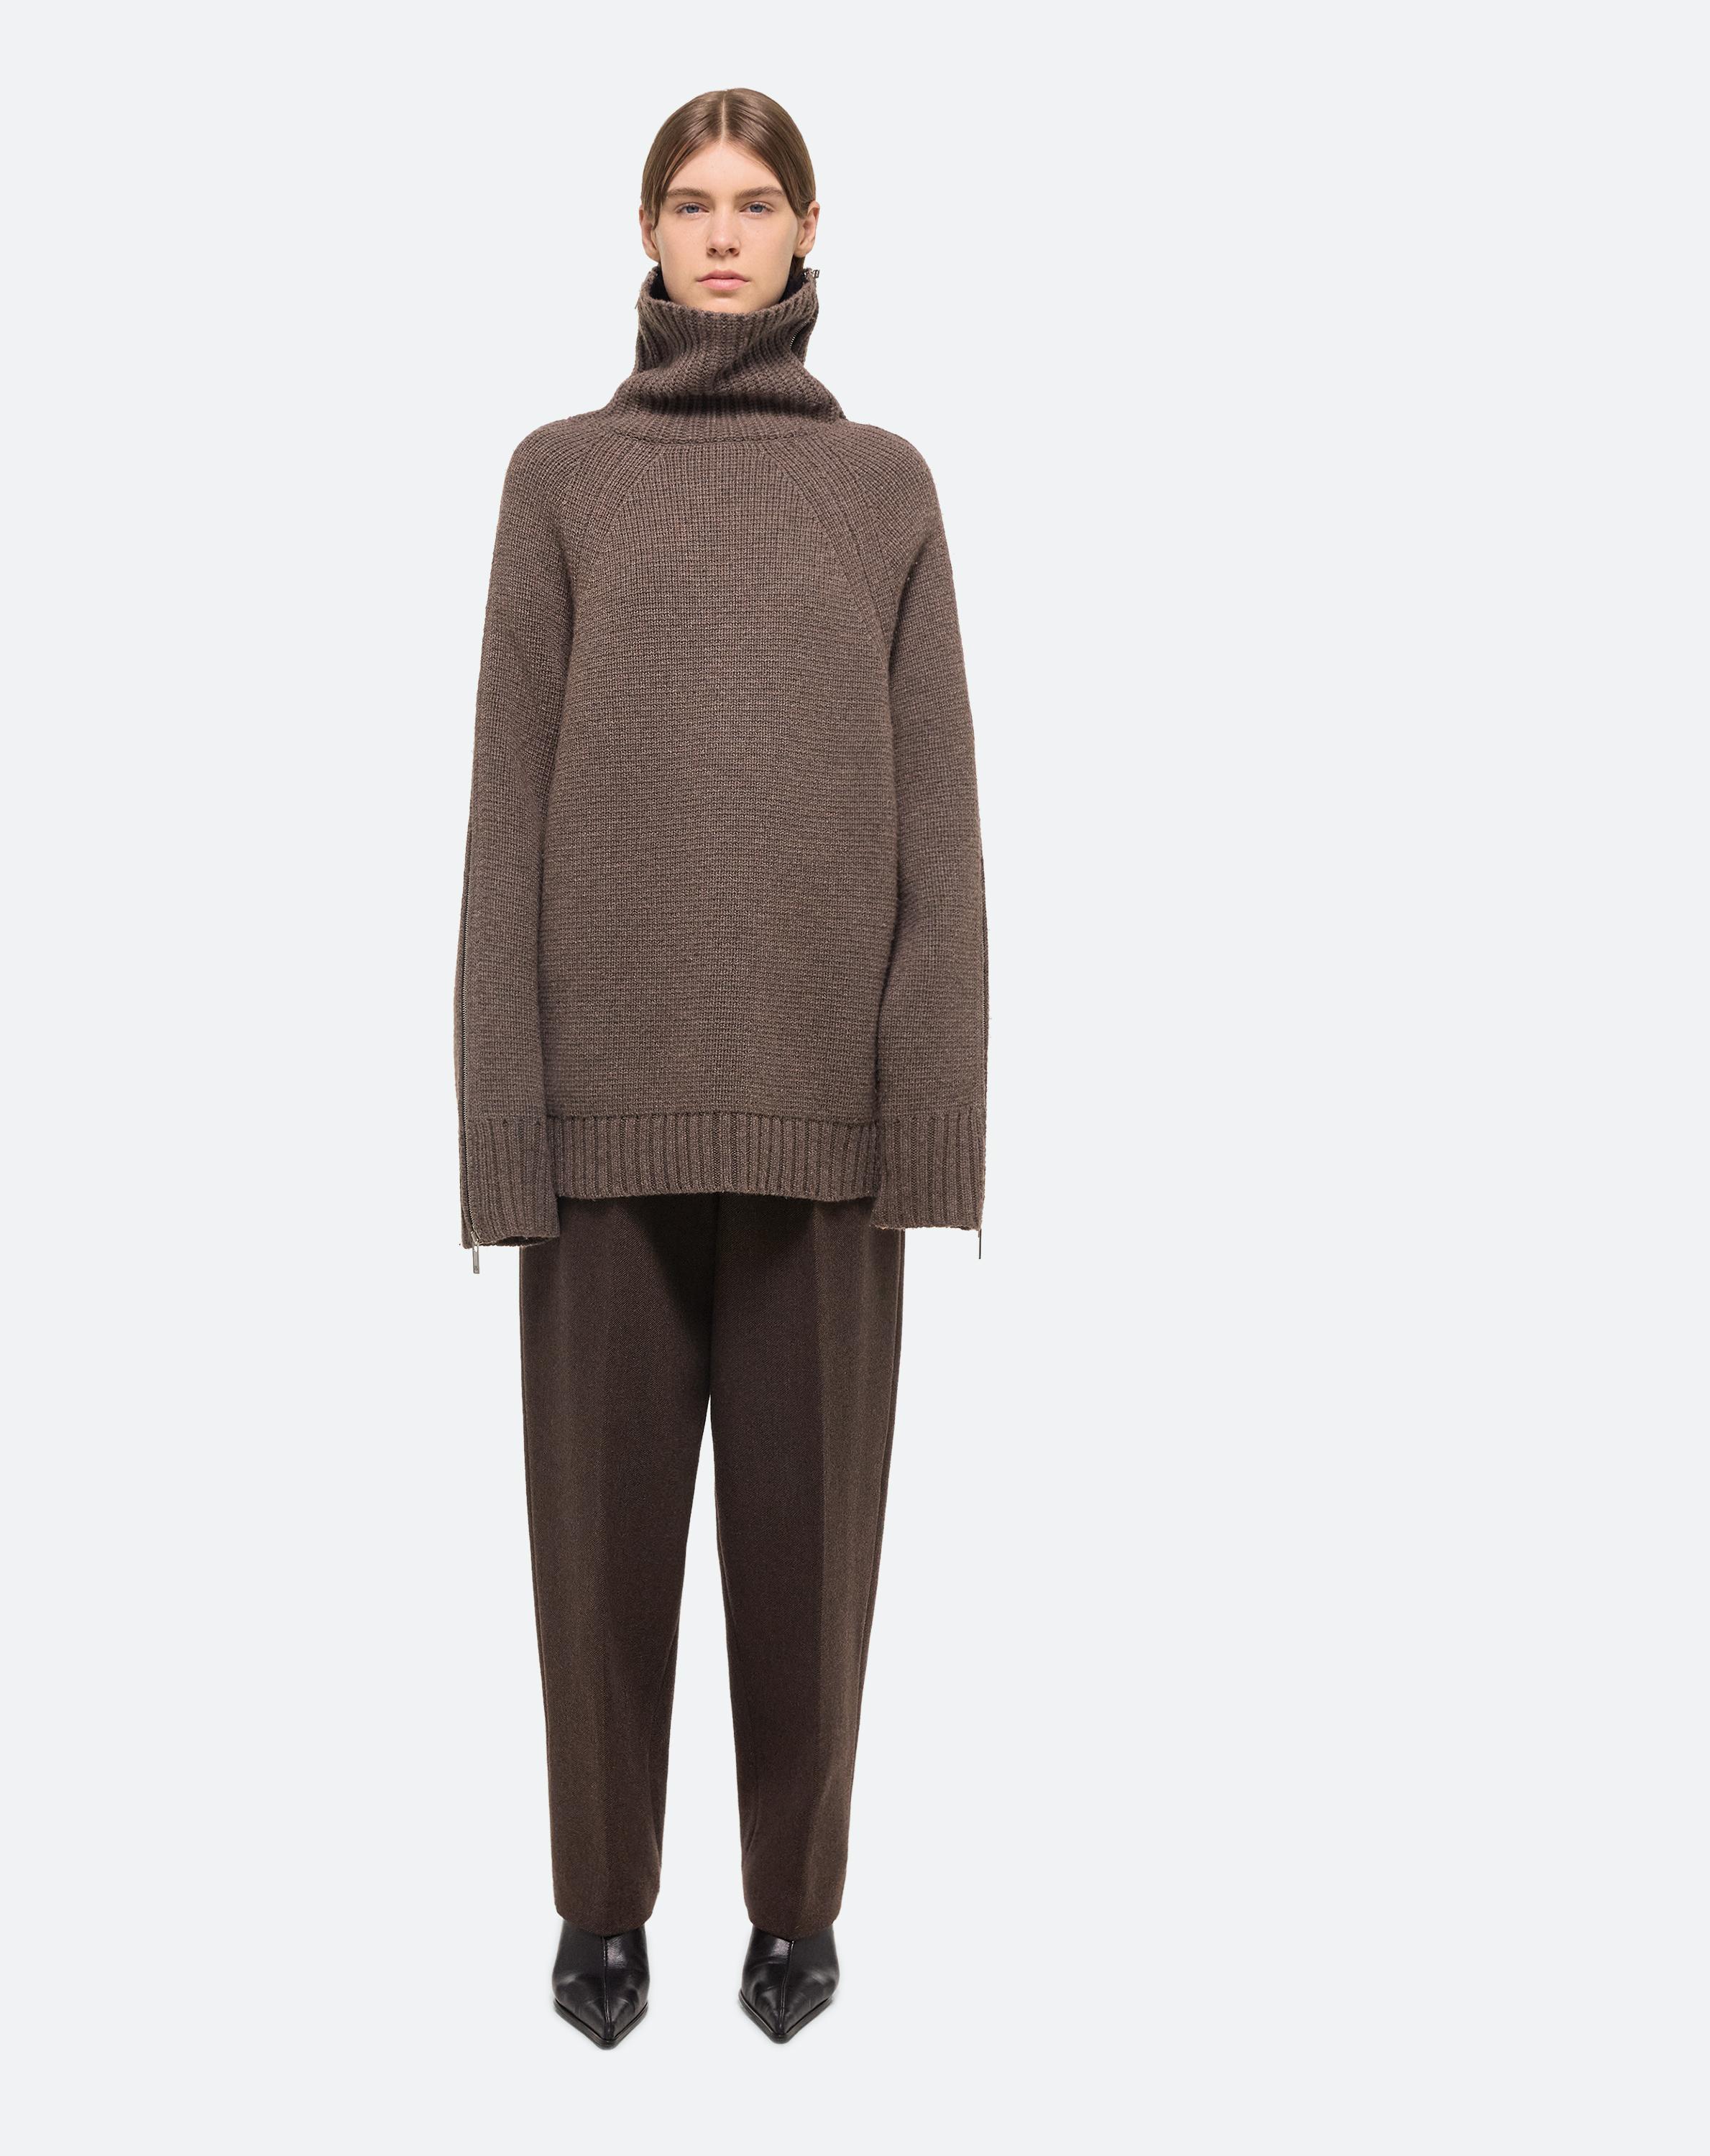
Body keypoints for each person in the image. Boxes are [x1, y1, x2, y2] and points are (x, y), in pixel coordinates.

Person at [452, 86, 989, 2047]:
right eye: (692, 203)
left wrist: (931, 1126)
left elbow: (941, 831)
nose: (725, 233)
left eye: (757, 203)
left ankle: (796, 1913)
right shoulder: (560, 481)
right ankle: (601, 1913)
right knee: (595, 1567)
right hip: (601, 1122)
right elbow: (506, 821)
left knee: (807, 1564)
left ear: (809, 229)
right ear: (649, 234)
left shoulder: (887, 492)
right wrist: (501, 1132)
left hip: (825, 1128)